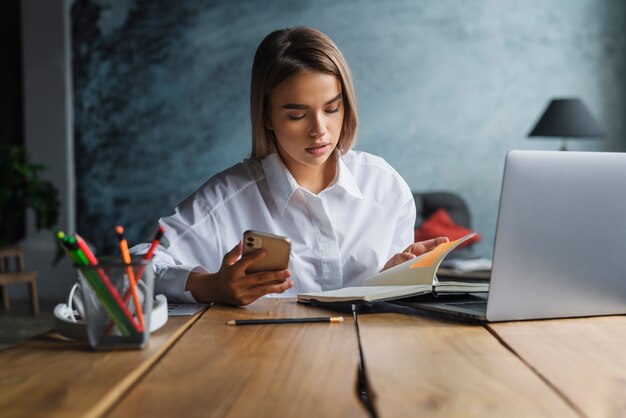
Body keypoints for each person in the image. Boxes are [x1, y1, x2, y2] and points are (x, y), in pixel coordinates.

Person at [132, 26, 447, 306]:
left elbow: (389, 299)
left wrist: (393, 279)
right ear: (267, 116)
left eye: (332, 109)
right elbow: (137, 263)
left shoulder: (385, 186)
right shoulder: (229, 197)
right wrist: (208, 285)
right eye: (297, 115)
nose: (319, 129)